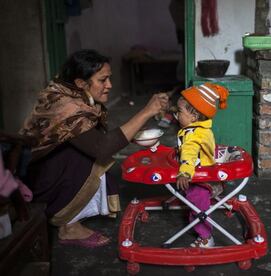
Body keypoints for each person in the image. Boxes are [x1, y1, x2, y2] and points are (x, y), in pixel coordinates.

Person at [19, 49, 169, 248]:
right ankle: (68, 226)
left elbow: (97, 137)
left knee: (89, 147)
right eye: (103, 80)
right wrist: (146, 112)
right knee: (86, 154)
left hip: (39, 172)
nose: (110, 85)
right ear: (81, 83)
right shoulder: (65, 106)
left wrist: (129, 134)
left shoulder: (69, 89)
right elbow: (102, 147)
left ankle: (71, 212)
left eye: (109, 79)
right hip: (34, 181)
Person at [175, 82, 229, 248]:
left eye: (179, 112)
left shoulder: (192, 135)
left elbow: (190, 155)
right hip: (208, 176)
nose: (176, 116)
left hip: (199, 179)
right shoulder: (203, 129)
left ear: (194, 117)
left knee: (197, 206)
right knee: (196, 202)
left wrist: (184, 172)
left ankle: (206, 238)